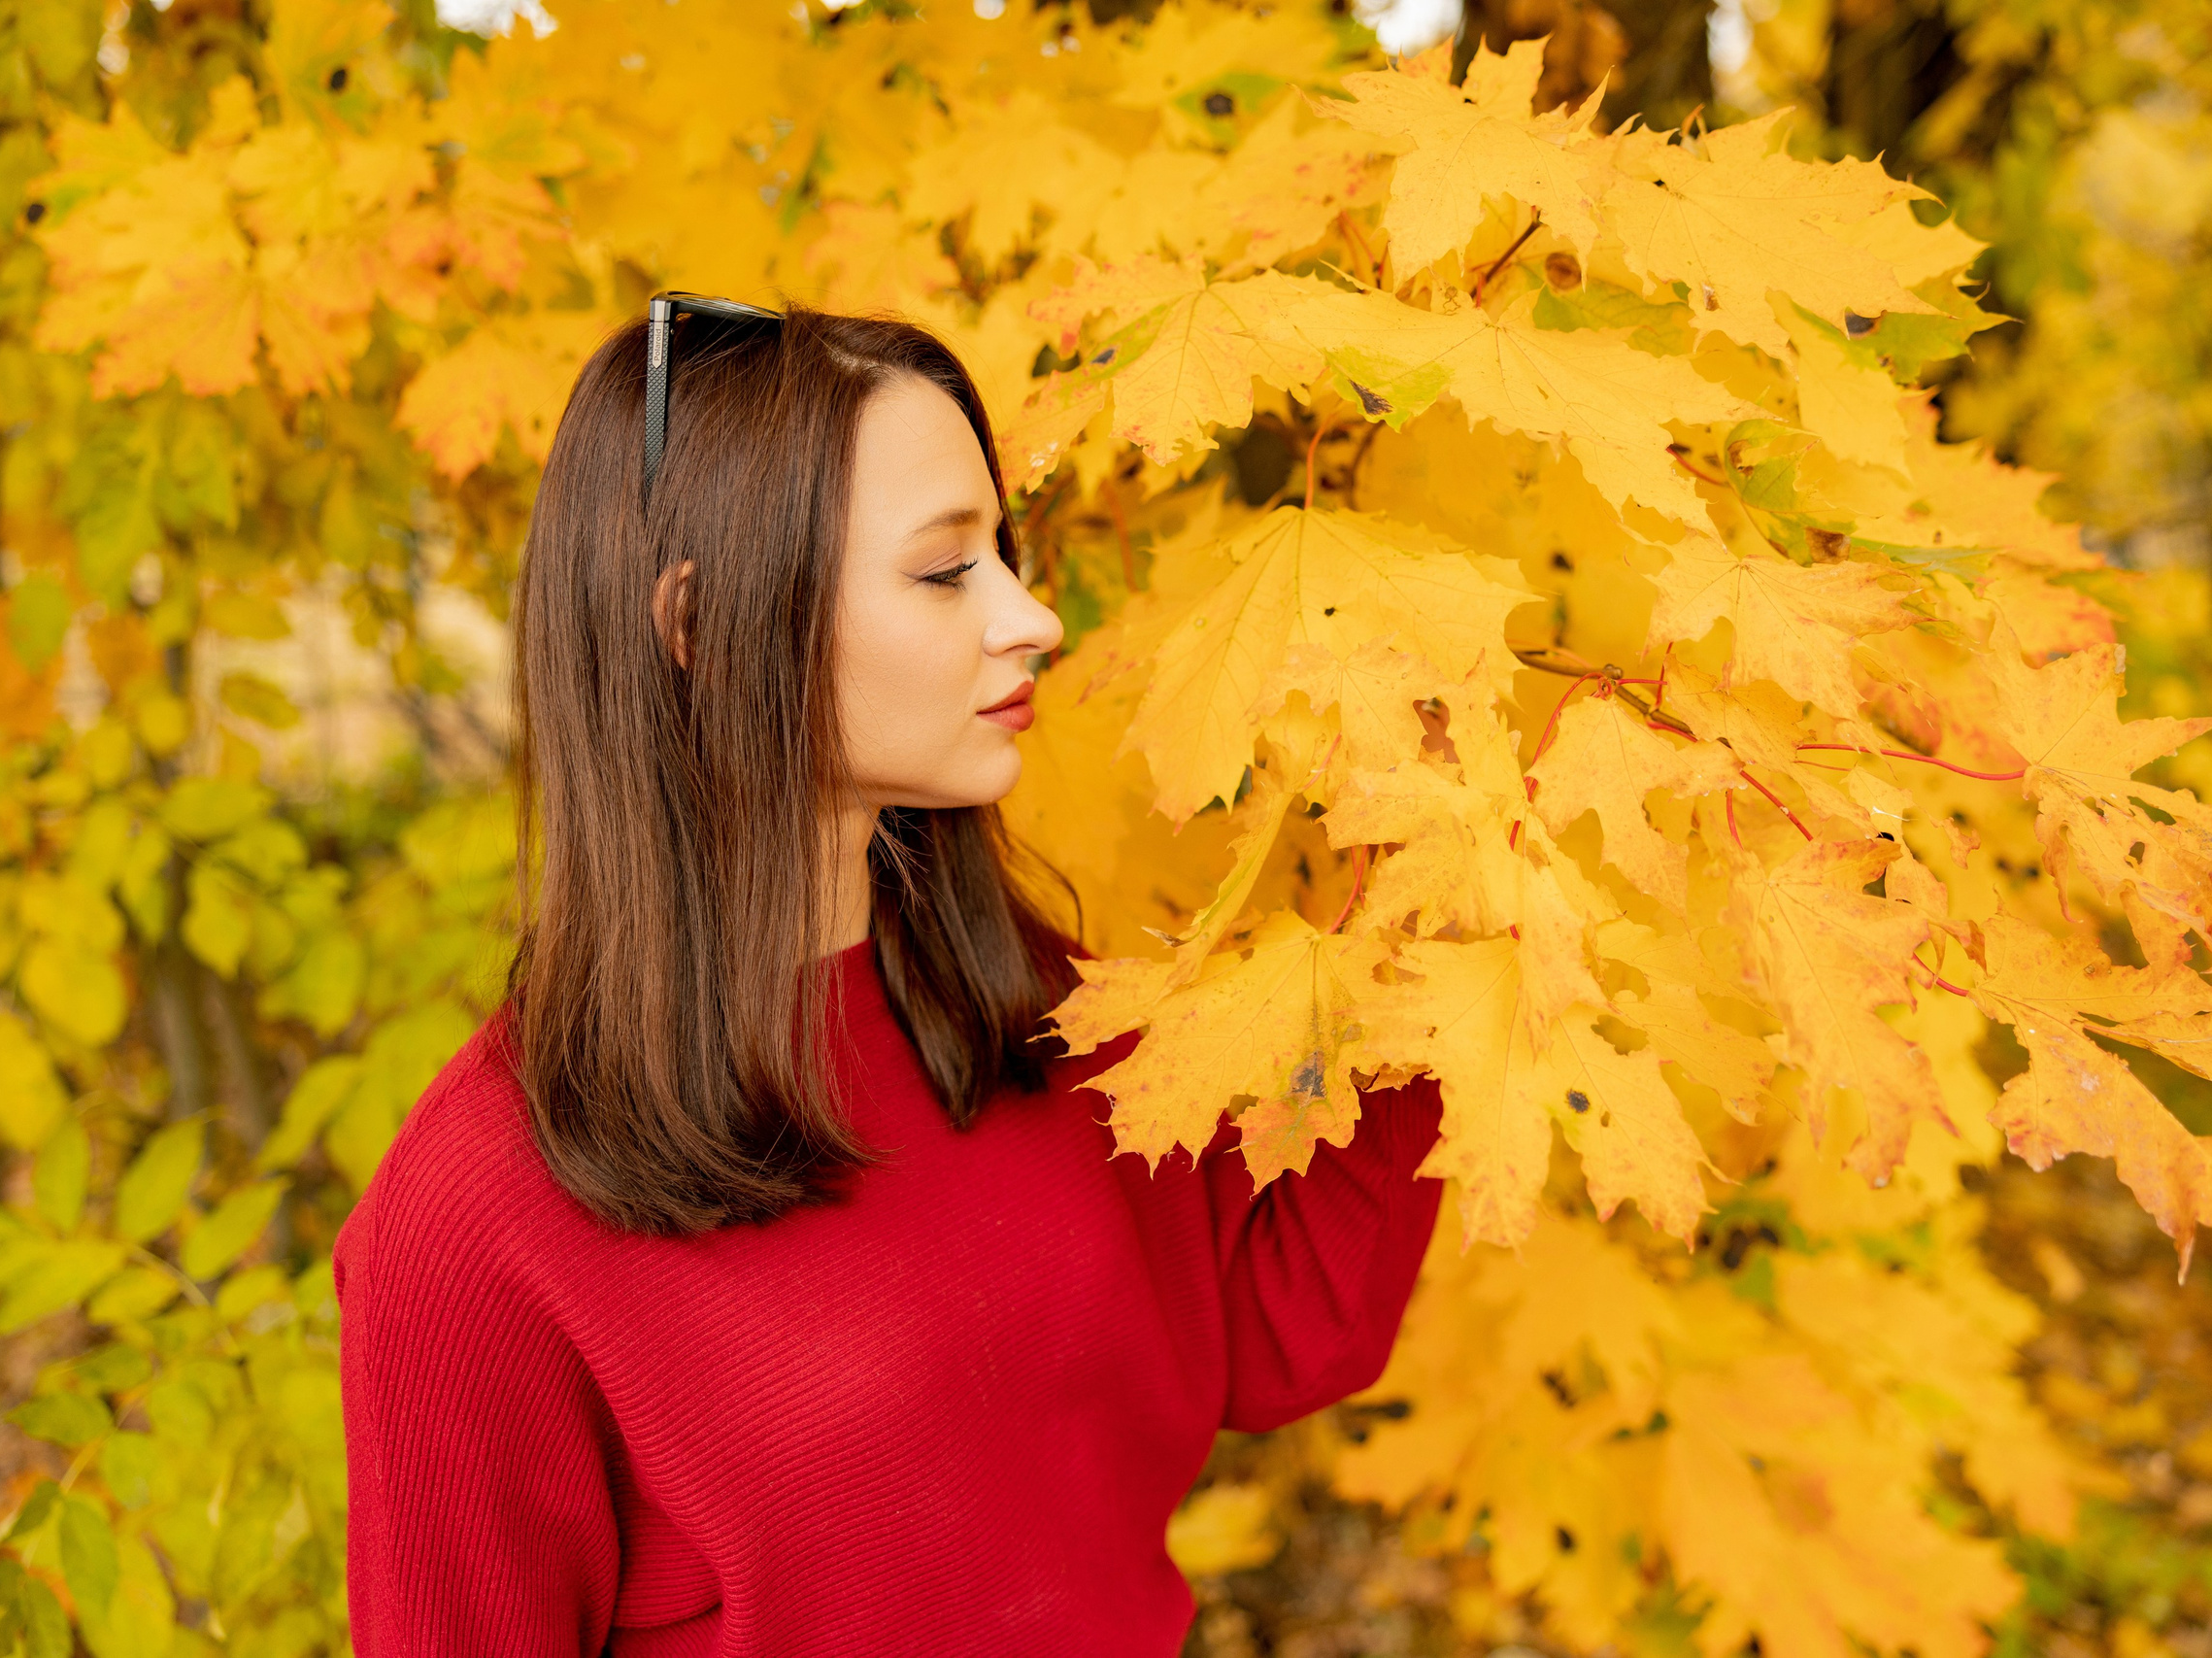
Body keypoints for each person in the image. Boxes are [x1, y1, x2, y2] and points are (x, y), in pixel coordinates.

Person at [332, 295, 1446, 1656]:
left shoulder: (1025, 1000)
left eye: (1005, 556)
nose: (1029, 619)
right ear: (698, 621)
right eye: (942, 573)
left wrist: (1431, 903)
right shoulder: (474, 1224)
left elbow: (1285, 1330)